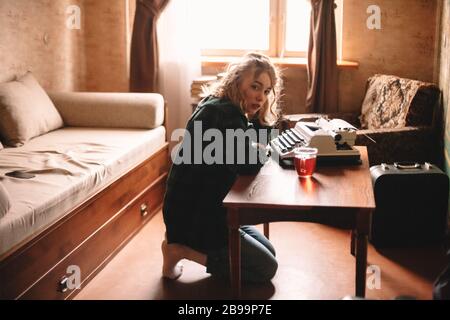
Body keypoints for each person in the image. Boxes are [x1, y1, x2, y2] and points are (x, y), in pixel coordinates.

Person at [161, 52, 283, 283]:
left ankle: (181, 244)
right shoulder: (226, 114)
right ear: (238, 82)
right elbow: (249, 163)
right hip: (196, 217)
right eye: (255, 87)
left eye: (266, 91)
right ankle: (181, 250)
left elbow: (238, 154)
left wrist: (252, 147)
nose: (261, 97)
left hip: (193, 210)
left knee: (269, 252)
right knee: (267, 268)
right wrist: (261, 150)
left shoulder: (218, 105)